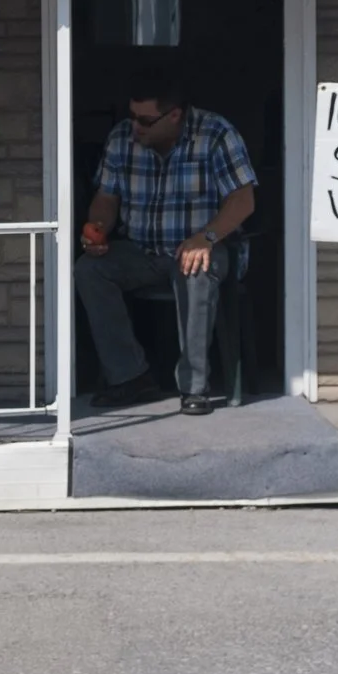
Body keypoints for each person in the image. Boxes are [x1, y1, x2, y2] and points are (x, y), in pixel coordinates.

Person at [75, 64, 258, 416]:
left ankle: (194, 387)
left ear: (174, 115)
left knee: (196, 268)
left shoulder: (216, 133)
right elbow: (106, 198)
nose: (135, 126)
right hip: (140, 249)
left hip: (204, 245)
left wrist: (205, 238)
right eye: (132, 116)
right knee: (89, 270)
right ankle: (129, 376)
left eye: (145, 120)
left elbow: (243, 200)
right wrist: (97, 227)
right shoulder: (121, 138)